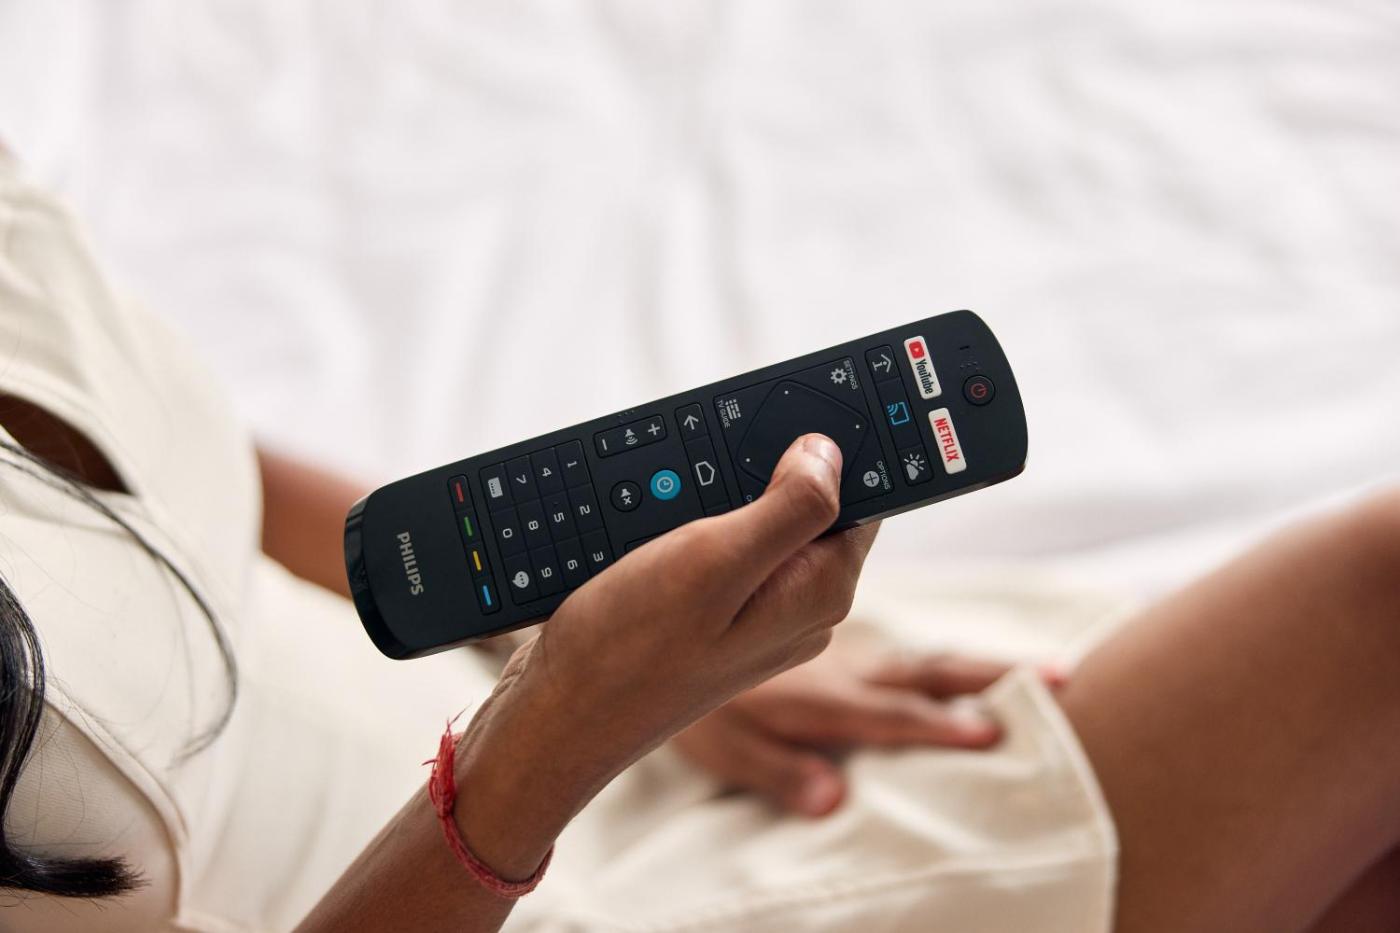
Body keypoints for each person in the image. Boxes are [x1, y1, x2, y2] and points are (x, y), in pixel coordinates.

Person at [0, 145, 1396, 933]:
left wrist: (562, 634)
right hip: (506, 865)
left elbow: (178, 482)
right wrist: (554, 736)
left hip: (590, 714)